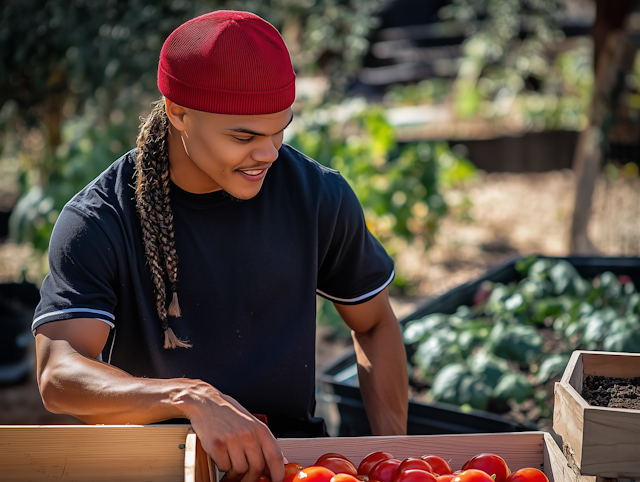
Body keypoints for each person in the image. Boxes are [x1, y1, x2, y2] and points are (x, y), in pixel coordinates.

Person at [33, 10, 408, 482]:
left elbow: (374, 324)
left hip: (292, 463)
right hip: (159, 464)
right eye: (244, 136)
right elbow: (59, 375)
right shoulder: (100, 219)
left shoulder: (317, 195)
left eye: (280, 131)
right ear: (178, 113)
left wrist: (395, 455)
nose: (269, 154)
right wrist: (189, 398)